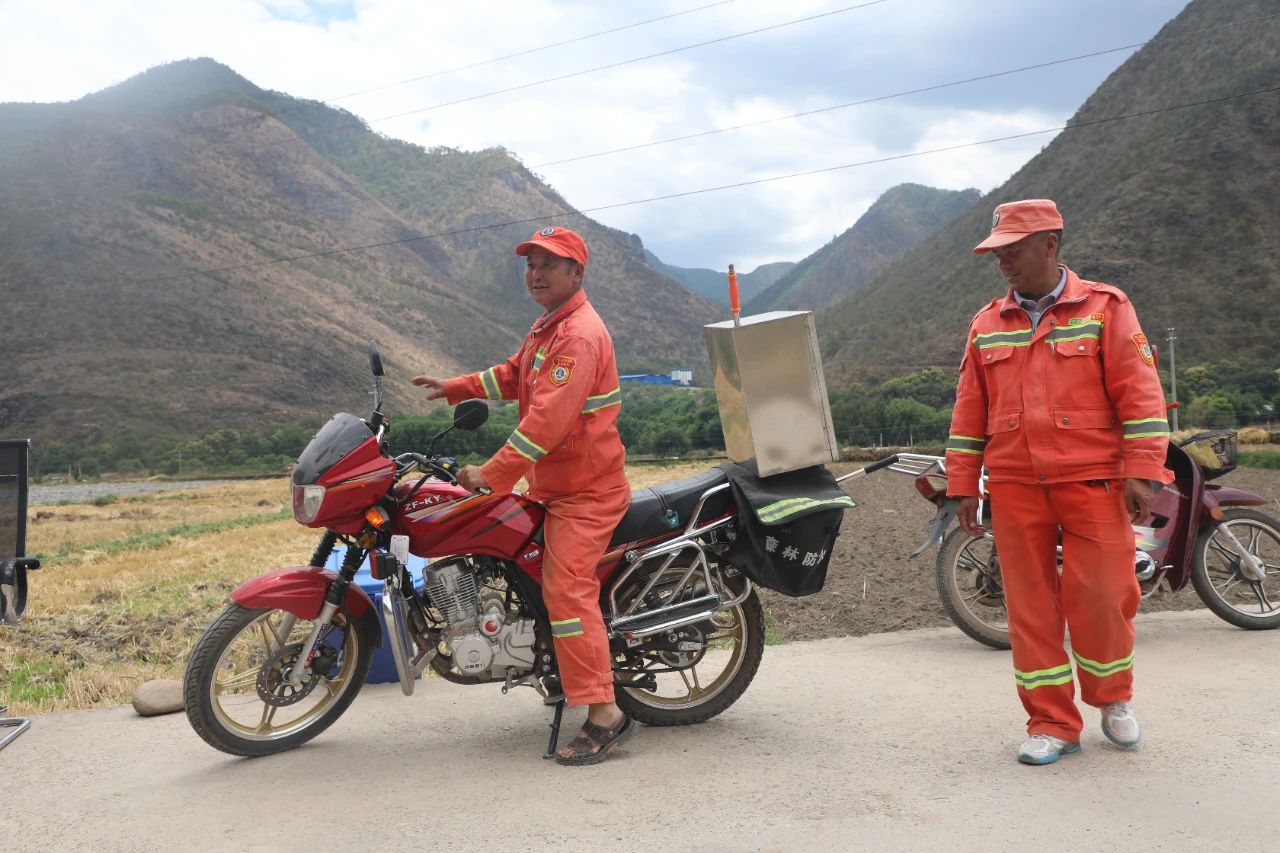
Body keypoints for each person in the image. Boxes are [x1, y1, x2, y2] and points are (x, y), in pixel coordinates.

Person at [945, 199, 1171, 766]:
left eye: (1013, 250)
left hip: (1093, 481)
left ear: (1050, 244)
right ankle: (1051, 722)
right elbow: (969, 414)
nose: (1004, 263)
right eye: (998, 253)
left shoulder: (1106, 308)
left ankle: (1112, 698)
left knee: (1103, 595)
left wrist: (1142, 470)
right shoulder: (985, 325)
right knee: (1030, 608)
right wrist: (962, 485)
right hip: (1017, 486)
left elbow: (1140, 396)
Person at [412, 226, 637, 766]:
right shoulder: (548, 327)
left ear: (576, 273)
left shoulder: (578, 335)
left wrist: (492, 472)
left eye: (549, 265)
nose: (535, 273)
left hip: (586, 492)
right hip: (556, 487)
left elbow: (547, 423)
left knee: (565, 588)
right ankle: (553, 669)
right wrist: (457, 387)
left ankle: (606, 713)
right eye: (530, 263)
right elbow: (517, 375)